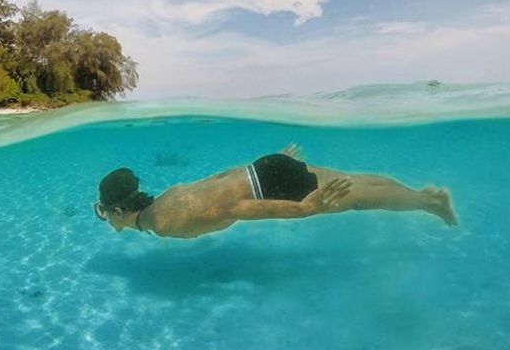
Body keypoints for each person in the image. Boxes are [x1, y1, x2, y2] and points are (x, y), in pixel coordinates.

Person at [93, 144, 458, 239]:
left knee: (360, 198)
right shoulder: (167, 198)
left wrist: (302, 209)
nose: (105, 219)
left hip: (271, 185)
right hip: (262, 169)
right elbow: (220, 181)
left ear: (117, 210)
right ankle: (421, 195)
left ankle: (429, 203)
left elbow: (235, 208)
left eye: (102, 212)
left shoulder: (163, 222)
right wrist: (273, 162)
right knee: (358, 181)